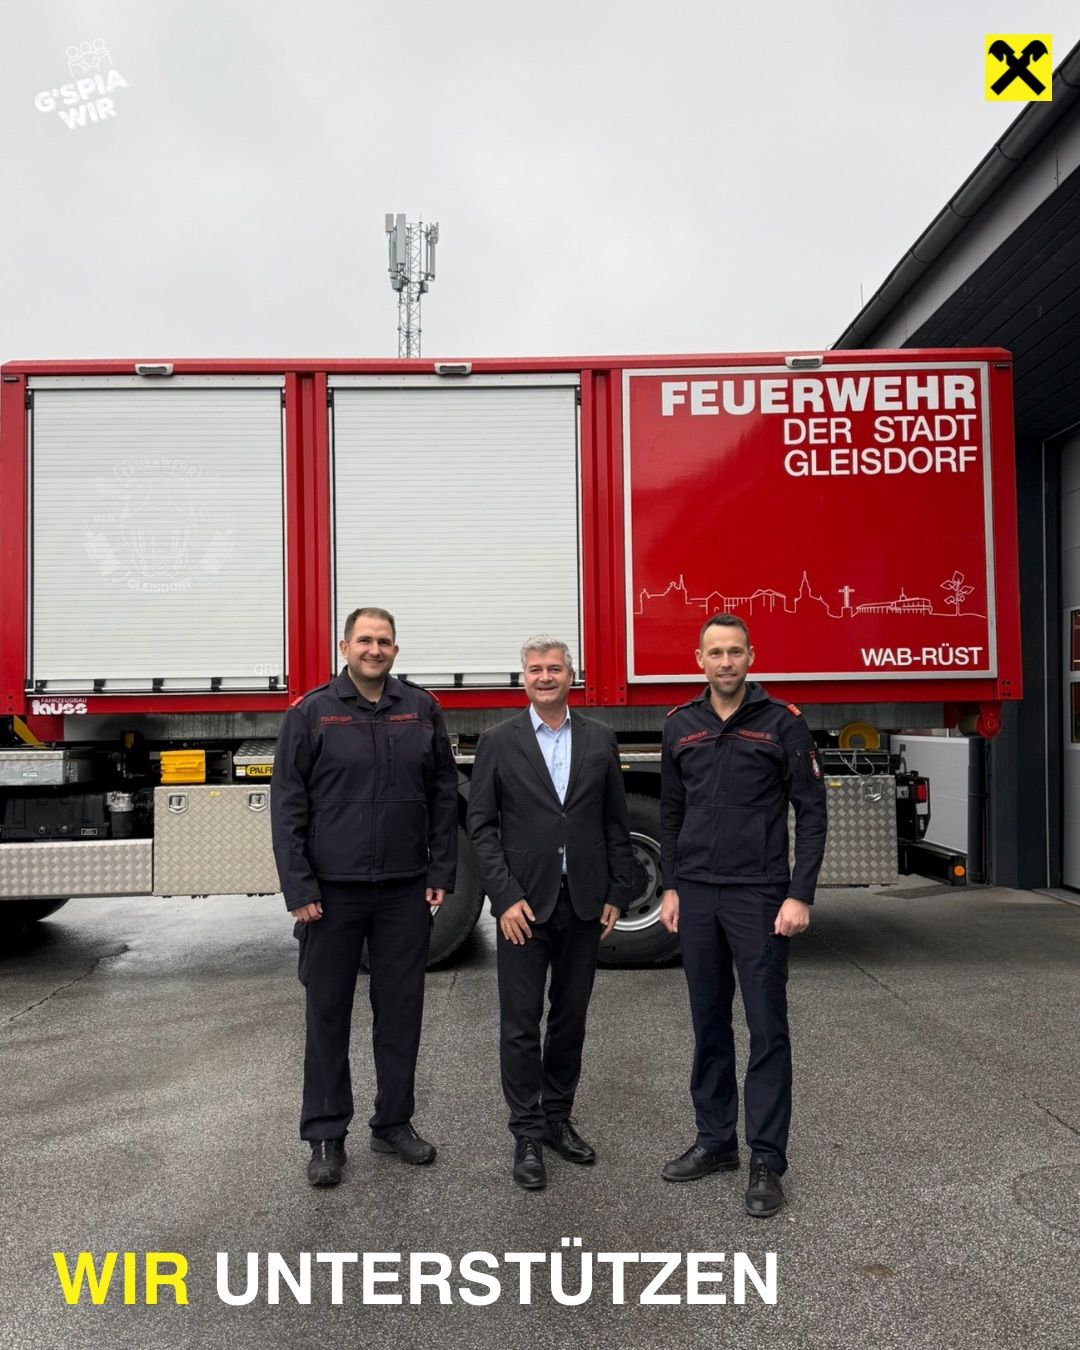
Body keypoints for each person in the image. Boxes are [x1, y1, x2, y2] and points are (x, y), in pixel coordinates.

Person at [271, 606, 458, 1186]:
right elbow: (288, 804)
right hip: (331, 894)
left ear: (395, 650)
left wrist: (441, 868)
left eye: (384, 641)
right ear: (344, 646)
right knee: (328, 1015)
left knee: (401, 1013)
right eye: (364, 640)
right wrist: (299, 886)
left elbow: (444, 792)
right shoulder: (311, 713)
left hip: (404, 890)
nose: (374, 649)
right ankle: (326, 1136)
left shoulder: (421, 709)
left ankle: (393, 1124)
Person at [659, 613, 827, 1217]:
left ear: (751, 657)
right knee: (708, 1024)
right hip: (698, 895)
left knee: (766, 1028)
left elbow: (812, 812)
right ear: (699, 660)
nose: (725, 662)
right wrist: (671, 887)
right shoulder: (680, 725)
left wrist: (799, 894)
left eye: (735, 652)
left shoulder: (783, 723)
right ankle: (715, 1142)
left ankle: (766, 1160)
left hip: (760, 896)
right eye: (715, 653)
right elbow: (671, 813)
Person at [467, 637, 633, 1190]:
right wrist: (503, 897)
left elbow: (615, 822)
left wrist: (618, 891)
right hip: (523, 906)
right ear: (524, 678)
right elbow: (481, 828)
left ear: (571, 676)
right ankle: (527, 1133)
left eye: (555, 668)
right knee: (520, 1023)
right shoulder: (498, 741)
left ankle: (558, 1118)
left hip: (583, 902)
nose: (545, 676)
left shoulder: (600, 738)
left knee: (569, 1018)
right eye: (535, 669)